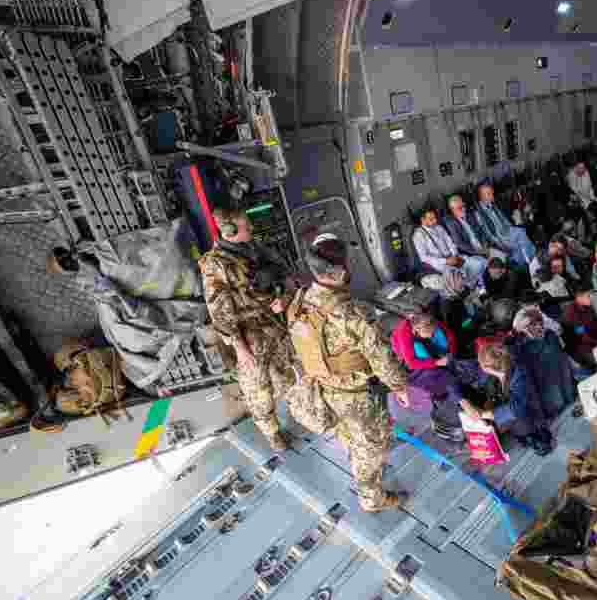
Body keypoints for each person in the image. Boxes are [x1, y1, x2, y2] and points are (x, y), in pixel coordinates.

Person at [283, 234, 412, 512]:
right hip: (354, 397)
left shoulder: (298, 301)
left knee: (349, 437)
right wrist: (400, 388)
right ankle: (371, 499)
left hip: (319, 389)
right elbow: (382, 358)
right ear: (338, 271)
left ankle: (355, 452)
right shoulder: (353, 313)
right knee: (371, 450)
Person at [198, 208, 296, 450]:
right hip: (247, 335)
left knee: (289, 375)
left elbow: (285, 276)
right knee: (259, 390)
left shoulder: (256, 248)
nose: (251, 229)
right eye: (246, 226)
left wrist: (284, 297)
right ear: (230, 231)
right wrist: (240, 348)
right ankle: (272, 434)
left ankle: (301, 411)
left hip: (273, 324)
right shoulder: (215, 265)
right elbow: (219, 312)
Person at [389, 312, 486, 442]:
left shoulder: (429, 322)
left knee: (457, 366)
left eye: (433, 332)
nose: (431, 335)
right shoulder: (404, 335)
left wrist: (450, 355)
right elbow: (411, 363)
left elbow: (449, 336)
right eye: (429, 333)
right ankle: (463, 402)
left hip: (428, 351)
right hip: (411, 362)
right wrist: (436, 363)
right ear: (417, 330)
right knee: (442, 376)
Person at [465, 341, 554, 456]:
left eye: (481, 365)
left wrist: (483, 414)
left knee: (533, 432)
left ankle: (541, 441)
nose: (480, 367)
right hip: (520, 417)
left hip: (531, 416)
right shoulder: (503, 366)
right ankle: (527, 438)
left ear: (489, 368)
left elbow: (516, 409)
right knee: (519, 429)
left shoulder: (519, 376)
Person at [412, 205, 487, 298]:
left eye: (435, 218)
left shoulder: (439, 227)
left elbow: (450, 243)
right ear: (423, 220)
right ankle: (471, 292)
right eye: (431, 219)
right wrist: (446, 261)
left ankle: (476, 288)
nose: (435, 221)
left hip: (454, 257)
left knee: (480, 263)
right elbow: (424, 257)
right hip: (440, 264)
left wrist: (455, 255)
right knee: (460, 276)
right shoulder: (418, 235)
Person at [470, 183, 537, 267]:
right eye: (489, 194)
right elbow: (488, 233)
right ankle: (529, 261)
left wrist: (512, 229)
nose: (492, 196)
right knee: (520, 238)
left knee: (521, 233)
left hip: (507, 231)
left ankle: (529, 260)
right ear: (482, 197)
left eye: (492, 193)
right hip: (499, 237)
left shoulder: (493, 205)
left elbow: (504, 220)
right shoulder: (478, 213)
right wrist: (500, 243)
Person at [443, 194, 497, 259]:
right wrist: (478, 251)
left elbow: (480, 230)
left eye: (463, 206)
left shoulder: (470, 215)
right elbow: (460, 243)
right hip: (472, 253)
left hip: (484, 246)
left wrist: (485, 244)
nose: (463, 209)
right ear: (452, 210)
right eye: (459, 208)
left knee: (502, 257)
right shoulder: (451, 223)